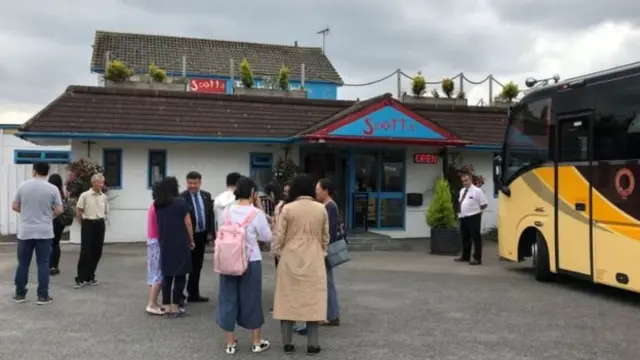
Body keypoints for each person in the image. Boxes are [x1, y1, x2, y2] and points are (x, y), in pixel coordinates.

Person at [273, 173, 329, 355]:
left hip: (290, 256)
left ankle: (287, 343)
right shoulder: (321, 209)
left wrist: (278, 253)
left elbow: (279, 236)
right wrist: (321, 251)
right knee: (312, 300)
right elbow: (325, 237)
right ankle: (313, 344)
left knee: (287, 299)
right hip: (313, 257)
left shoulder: (288, 209)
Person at [216, 177, 272, 354]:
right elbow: (267, 237)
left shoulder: (226, 211)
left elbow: (221, 230)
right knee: (252, 299)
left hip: (228, 260)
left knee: (228, 299)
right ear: (253, 193)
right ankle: (256, 342)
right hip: (251, 261)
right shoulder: (256, 214)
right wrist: (259, 208)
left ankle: (230, 344)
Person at [12, 162, 63, 305]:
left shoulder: (23, 186)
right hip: (44, 231)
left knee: (23, 263)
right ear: (47, 173)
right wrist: (48, 216)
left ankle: (20, 294)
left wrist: (27, 214)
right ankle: (43, 296)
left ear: (34, 171)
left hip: (26, 231)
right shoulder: (53, 189)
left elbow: (15, 205)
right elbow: (59, 210)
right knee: (43, 263)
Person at [155, 177, 195, 317]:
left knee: (167, 275)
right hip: (180, 241)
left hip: (165, 241)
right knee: (180, 275)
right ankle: (175, 306)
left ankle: (166, 305)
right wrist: (191, 239)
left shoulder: (158, 204)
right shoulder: (181, 202)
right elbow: (188, 223)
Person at [180, 171, 214, 303]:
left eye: (195, 183)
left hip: (201, 235)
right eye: (190, 183)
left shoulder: (206, 196)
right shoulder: (182, 197)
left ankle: (193, 293)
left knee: (197, 265)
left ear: (200, 182)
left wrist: (211, 233)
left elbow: (210, 215)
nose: (192, 185)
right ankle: (179, 294)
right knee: (184, 266)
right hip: (187, 237)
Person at [74, 173, 108, 289]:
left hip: (100, 223)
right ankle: (80, 277)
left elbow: (106, 211)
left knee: (97, 251)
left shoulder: (103, 197)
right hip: (88, 223)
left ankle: (90, 276)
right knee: (85, 251)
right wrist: (83, 223)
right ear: (93, 183)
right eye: (99, 182)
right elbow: (78, 211)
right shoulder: (85, 195)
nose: (101, 185)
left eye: (102, 183)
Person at [316, 178, 341, 326]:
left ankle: (332, 315)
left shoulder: (330, 207)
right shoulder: (325, 205)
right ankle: (330, 313)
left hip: (326, 248)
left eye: (318, 190)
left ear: (326, 191)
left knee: (327, 281)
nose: (316, 193)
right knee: (325, 281)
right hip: (324, 247)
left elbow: (329, 230)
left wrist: (323, 247)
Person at [454, 171, 488, 265]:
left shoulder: (477, 191)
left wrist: (476, 211)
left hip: (474, 217)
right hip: (463, 217)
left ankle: (477, 258)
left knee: (475, 238)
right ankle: (465, 256)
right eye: (463, 181)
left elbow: (484, 204)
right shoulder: (462, 190)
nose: (465, 182)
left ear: (471, 180)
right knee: (465, 237)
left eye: (466, 180)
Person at [146, 183, 164, 315]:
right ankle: (152, 303)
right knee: (158, 273)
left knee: (153, 272)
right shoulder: (158, 207)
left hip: (152, 241)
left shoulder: (153, 205)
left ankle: (153, 301)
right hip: (157, 241)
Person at [48, 173, 66, 276]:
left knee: (50, 243)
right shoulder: (61, 193)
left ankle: (50, 266)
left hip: (53, 219)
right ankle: (55, 266)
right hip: (60, 221)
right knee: (56, 243)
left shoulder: (50, 192)